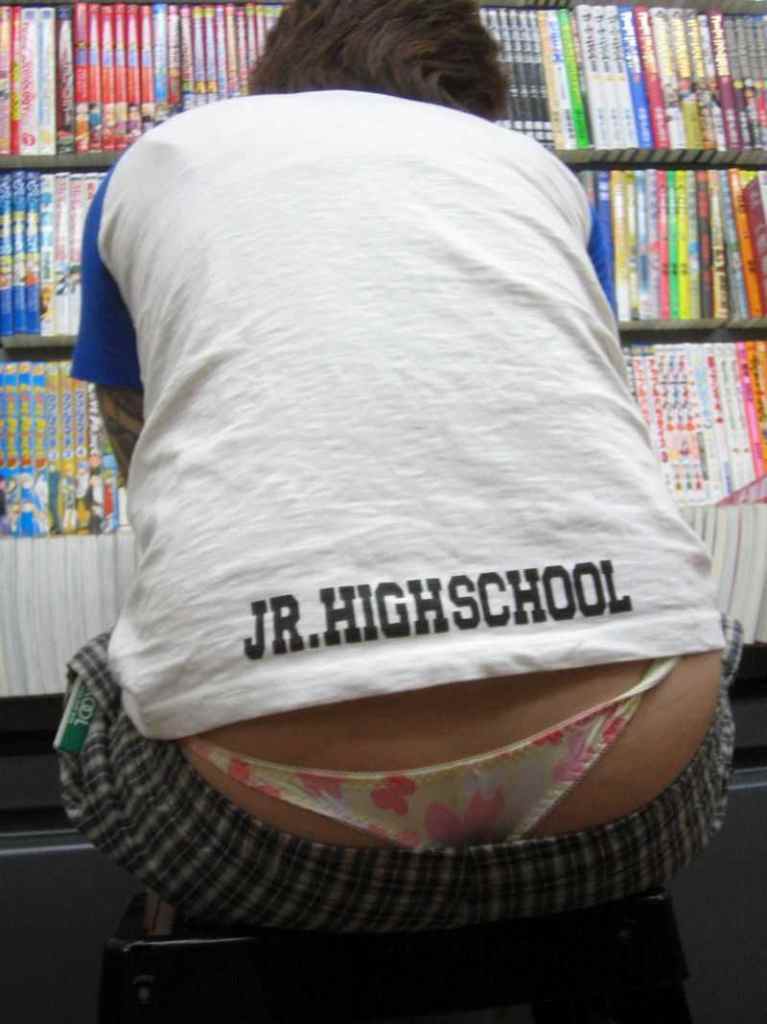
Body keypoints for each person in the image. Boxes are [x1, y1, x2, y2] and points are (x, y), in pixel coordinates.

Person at [56, 0, 741, 932]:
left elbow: (140, 458)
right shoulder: (533, 170)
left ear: (272, 75)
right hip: (633, 799)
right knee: (703, 623)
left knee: (111, 669)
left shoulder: (160, 160)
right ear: (471, 100)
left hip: (260, 828)